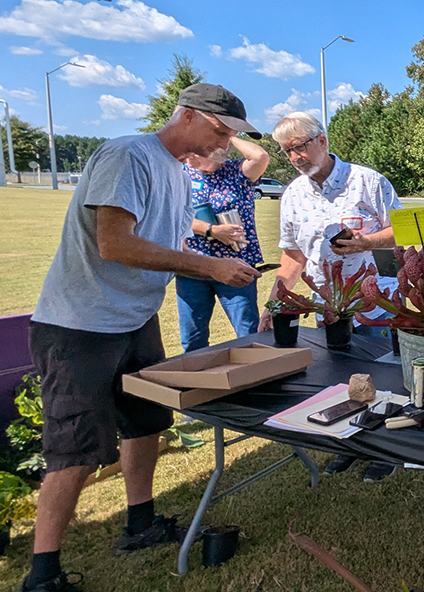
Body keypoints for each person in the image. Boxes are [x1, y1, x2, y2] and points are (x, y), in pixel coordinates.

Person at [23, 83, 262, 591]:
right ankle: (42, 573)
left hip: (135, 319)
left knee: (145, 422)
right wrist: (208, 266)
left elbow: (167, 244)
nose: (224, 143)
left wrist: (220, 257)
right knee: (76, 447)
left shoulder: (179, 172)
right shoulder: (129, 154)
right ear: (189, 116)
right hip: (80, 325)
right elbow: (114, 243)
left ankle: (140, 522)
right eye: (220, 131)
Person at [260, 110, 401, 482]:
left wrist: (366, 241)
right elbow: (292, 255)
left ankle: (384, 448)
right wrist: (276, 299)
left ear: (322, 141)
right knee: (339, 378)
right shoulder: (293, 195)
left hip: (376, 303)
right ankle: (347, 443)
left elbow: (402, 231)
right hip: (330, 306)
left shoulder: (366, 181)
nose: (294, 157)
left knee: (383, 375)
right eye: (286, 152)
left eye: (299, 147)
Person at [176, 137, 270, 352]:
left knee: (247, 334)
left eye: (195, 154)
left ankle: (253, 379)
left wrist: (225, 134)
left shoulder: (237, 172)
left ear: (214, 152)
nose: (189, 159)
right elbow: (175, 215)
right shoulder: (182, 174)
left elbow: (260, 156)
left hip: (237, 267)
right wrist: (212, 230)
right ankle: (195, 381)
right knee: (192, 338)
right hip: (193, 266)